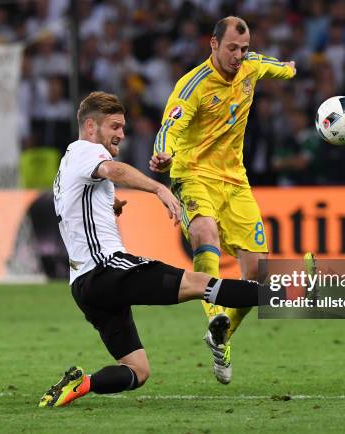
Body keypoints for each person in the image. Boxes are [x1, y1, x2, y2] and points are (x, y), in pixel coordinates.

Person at [39, 91, 266, 408]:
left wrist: (110, 203)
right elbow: (114, 171)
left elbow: (77, 203)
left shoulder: (67, 165)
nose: (121, 133)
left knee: (137, 370)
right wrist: (158, 187)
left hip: (83, 286)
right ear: (91, 127)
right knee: (200, 284)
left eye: (123, 127)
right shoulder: (85, 152)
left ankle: (81, 384)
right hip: (107, 269)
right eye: (114, 126)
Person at [149, 16, 314, 384]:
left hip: (235, 183)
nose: (239, 56)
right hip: (192, 175)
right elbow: (169, 129)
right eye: (231, 49)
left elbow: (279, 68)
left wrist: (289, 69)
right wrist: (162, 155)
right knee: (205, 234)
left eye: (243, 48)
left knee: (256, 274)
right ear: (213, 44)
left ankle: (220, 335)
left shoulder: (251, 66)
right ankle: (212, 316)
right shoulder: (191, 86)